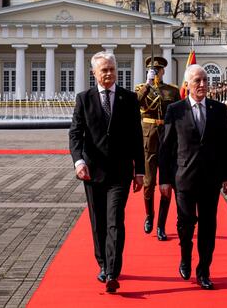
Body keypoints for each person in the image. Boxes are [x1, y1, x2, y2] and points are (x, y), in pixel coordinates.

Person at [69, 51, 144, 294]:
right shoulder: (84, 99)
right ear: (94, 73)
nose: (110, 73)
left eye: (112, 68)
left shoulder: (129, 99)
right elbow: (75, 134)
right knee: (98, 222)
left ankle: (112, 271)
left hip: (120, 172)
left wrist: (140, 171)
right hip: (92, 172)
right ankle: (102, 262)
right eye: (104, 70)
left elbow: (136, 136)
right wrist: (79, 162)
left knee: (115, 222)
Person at [159, 64, 227, 290]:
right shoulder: (176, 110)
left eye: (204, 80)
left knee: (208, 227)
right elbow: (166, 147)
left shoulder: (219, 109)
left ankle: (204, 269)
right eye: (197, 81)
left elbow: (225, 146)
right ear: (188, 84)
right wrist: (164, 179)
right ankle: (185, 257)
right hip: (184, 178)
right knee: (185, 224)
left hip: (211, 179)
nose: (202, 84)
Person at [135, 56, 181, 241]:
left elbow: (179, 113)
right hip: (149, 138)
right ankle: (149, 216)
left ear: (163, 71)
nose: (155, 72)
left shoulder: (172, 90)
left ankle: (161, 225)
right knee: (149, 183)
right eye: (151, 70)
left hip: (167, 138)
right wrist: (147, 84)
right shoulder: (141, 89)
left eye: (157, 70)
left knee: (166, 183)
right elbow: (136, 103)